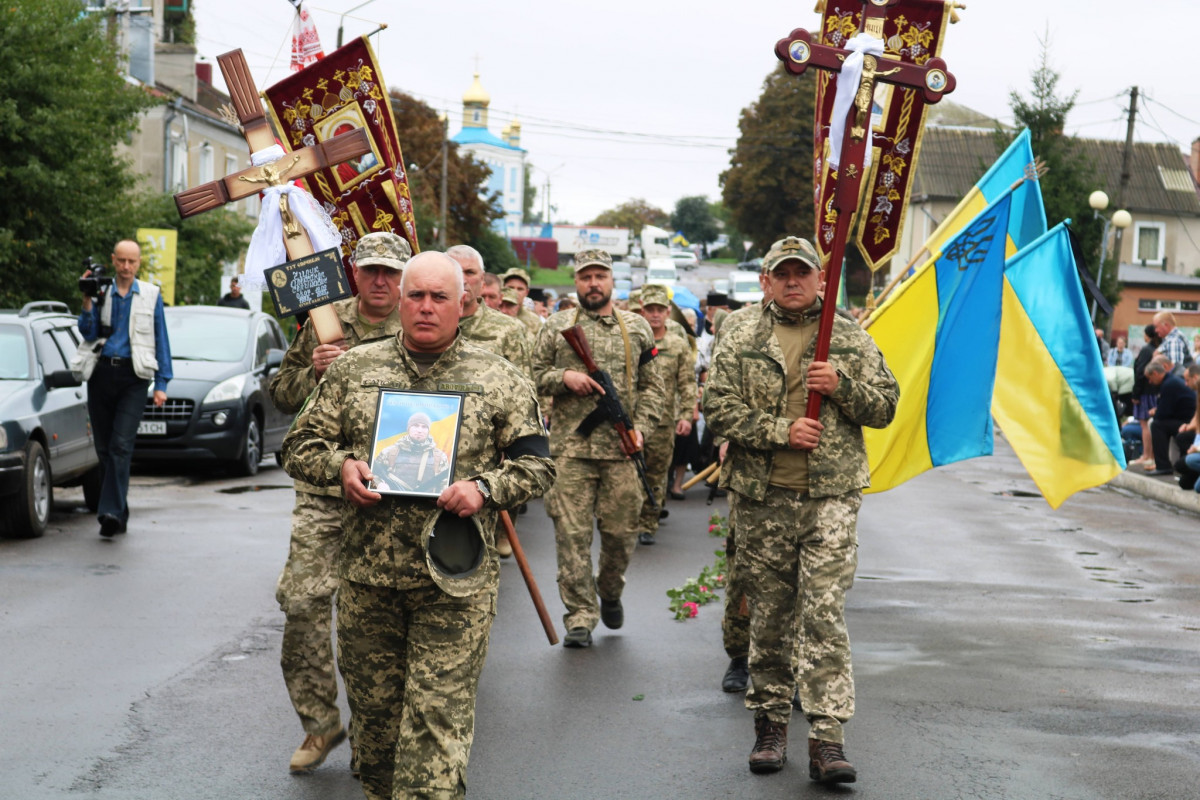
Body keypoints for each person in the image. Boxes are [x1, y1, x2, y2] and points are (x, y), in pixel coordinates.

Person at [282, 251, 555, 800]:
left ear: (463, 304)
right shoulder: (354, 370)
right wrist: (341, 468)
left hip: (454, 583)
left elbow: (538, 464)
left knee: (434, 731)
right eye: (416, 296)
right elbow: (298, 444)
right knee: (377, 744)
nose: (426, 308)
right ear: (401, 301)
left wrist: (484, 489)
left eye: (439, 297)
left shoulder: (496, 376)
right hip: (368, 583)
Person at [704, 236, 898, 784]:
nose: (793, 282)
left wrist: (842, 386)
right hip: (762, 497)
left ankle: (827, 738)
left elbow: (885, 407)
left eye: (803, 272)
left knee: (823, 614)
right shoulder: (739, 332)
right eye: (781, 273)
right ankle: (769, 726)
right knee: (769, 616)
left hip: (829, 498)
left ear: (820, 278)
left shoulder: (848, 335)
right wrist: (780, 431)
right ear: (765, 281)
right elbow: (717, 408)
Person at [268, 230, 410, 774]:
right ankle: (320, 724)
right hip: (325, 489)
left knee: (382, 619)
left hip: (395, 492)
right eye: (371, 269)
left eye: (391, 272)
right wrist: (314, 371)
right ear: (354, 272)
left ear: (404, 278)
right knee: (302, 604)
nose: (380, 280)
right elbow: (281, 393)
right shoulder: (324, 323)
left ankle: (377, 735)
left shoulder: (422, 326)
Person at [532, 248, 665, 647]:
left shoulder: (637, 328)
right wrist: (565, 377)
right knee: (570, 537)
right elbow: (533, 376)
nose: (594, 283)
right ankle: (580, 616)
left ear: (612, 281)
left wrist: (641, 428)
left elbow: (653, 387)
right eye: (586, 276)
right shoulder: (556, 326)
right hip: (571, 451)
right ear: (576, 282)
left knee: (622, 536)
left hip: (623, 454)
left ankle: (609, 590)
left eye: (600, 276)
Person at [77, 239, 173, 538]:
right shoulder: (101, 291)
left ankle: (109, 514)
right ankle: (119, 510)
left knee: (120, 446)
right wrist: (87, 298)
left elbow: (161, 338)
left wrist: (162, 384)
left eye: (132, 261)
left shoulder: (150, 294)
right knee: (104, 449)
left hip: (134, 377)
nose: (126, 267)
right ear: (113, 260)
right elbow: (88, 331)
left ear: (139, 263)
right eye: (121, 261)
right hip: (102, 374)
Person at [447, 243, 535, 557]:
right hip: (436, 449)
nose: (463, 279)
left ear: (483, 282)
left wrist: (508, 448)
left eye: (470, 272)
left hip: (485, 456)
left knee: (477, 554)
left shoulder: (508, 330)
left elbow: (522, 394)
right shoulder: (425, 324)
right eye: (455, 272)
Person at [632, 284, 697, 545]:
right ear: (642, 311)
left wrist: (686, 415)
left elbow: (687, 383)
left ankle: (648, 523)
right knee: (629, 474)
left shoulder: (678, 344)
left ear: (668, 312)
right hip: (632, 420)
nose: (655, 314)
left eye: (660, 309)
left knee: (657, 473)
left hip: (662, 421)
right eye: (650, 309)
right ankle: (629, 520)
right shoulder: (633, 340)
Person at [1144, 360, 1197, 475]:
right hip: (1185, 419)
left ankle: (1162, 465)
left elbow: (1162, 414)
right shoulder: (1170, 381)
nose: (1150, 382)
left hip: (1186, 420)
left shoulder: (1169, 384)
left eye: (1150, 378)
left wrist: (1155, 412)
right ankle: (1165, 463)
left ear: (1155, 373)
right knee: (1158, 424)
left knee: (1157, 425)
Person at [1128, 324, 1162, 468]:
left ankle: (1146, 455)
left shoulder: (1146, 350)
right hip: (1154, 391)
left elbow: (1140, 372)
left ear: (1147, 335)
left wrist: (1136, 393)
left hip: (1144, 393)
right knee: (1151, 423)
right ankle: (1151, 455)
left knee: (1144, 424)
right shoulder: (1157, 349)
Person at [501, 266, 543, 337]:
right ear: (503, 288)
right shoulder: (493, 312)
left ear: (526, 292)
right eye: (510, 288)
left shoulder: (534, 321)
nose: (515, 292)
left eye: (520, 289)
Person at [1154, 311, 1193, 376]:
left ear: (1166, 325)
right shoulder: (1171, 338)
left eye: (1157, 327)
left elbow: (1175, 370)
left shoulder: (1174, 340)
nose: (1156, 330)